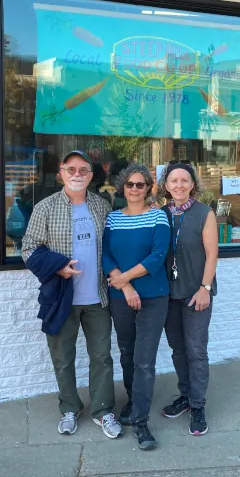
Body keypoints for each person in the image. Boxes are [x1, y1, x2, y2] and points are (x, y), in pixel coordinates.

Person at [22, 150, 123, 439]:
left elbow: (112, 246)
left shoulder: (102, 206)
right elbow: (28, 248)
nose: (77, 174)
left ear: (91, 175)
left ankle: (103, 411)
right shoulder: (45, 207)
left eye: (83, 170)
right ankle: (69, 407)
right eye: (71, 169)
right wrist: (58, 267)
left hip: (98, 298)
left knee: (101, 357)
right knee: (63, 358)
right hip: (62, 297)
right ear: (61, 173)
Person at [102, 164, 170, 450]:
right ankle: (132, 402)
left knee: (145, 359)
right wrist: (126, 287)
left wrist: (126, 278)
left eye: (140, 185)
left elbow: (158, 256)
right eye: (129, 184)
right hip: (121, 297)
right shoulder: (113, 219)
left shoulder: (159, 217)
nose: (134, 189)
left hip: (154, 297)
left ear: (148, 188)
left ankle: (141, 422)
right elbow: (105, 255)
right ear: (122, 187)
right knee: (127, 353)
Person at [158, 161, 218, 436]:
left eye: (184, 180)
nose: (179, 185)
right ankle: (185, 395)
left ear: (193, 184)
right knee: (178, 349)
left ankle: (198, 405)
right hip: (169, 294)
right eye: (173, 181)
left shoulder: (205, 213)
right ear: (166, 186)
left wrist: (205, 287)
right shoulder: (159, 215)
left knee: (196, 351)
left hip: (196, 293)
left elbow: (212, 254)